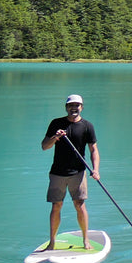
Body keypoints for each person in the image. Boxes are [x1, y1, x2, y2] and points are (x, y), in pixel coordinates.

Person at [41, 94, 99, 251]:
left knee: (79, 205)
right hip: (57, 173)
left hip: (78, 173)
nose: (74, 108)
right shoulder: (56, 123)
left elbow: (93, 149)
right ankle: (52, 242)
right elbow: (45, 146)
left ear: (82, 107)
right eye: (70, 105)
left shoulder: (87, 126)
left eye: (77, 105)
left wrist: (95, 170)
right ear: (66, 107)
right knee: (56, 206)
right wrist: (56, 137)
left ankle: (86, 240)